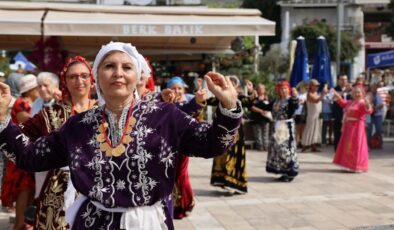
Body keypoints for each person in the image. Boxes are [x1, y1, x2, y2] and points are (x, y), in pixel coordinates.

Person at [0, 42, 241, 229]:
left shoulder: (166, 117)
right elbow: (29, 157)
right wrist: (2, 119)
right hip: (92, 223)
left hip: (148, 224)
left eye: (126, 67)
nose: (118, 73)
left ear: (137, 76)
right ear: (98, 78)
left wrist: (229, 108)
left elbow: (212, 143)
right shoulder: (78, 126)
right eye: (109, 66)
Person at [18, 56, 97, 229]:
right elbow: (18, 137)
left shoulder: (104, 110)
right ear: (65, 81)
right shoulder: (49, 114)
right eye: (73, 76)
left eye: (84, 76)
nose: (79, 81)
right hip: (57, 191)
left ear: (92, 79)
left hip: (96, 187)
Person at [1, 74, 38, 230]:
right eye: (37, 88)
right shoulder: (21, 103)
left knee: (28, 193)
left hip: (24, 151)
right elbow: (28, 121)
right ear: (30, 90)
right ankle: (19, 225)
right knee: (24, 190)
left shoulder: (28, 102)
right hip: (20, 153)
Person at [210, 76, 254, 195]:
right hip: (221, 131)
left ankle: (234, 183)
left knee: (234, 156)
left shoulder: (239, 97)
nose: (231, 84)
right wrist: (199, 89)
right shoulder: (220, 97)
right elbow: (208, 101)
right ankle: (224, 182)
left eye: (234, 83)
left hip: (236, 134)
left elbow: (250, 102)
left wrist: (250, 91)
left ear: (236, 86)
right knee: (222, 155)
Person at [254, 81, 299, 182]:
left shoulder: (290, 100)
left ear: (288, 90)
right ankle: (283, 171)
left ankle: (290, 171)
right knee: (277, 149)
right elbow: (265, 106)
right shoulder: (276, 101)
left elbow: (293, 109)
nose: (283, 90)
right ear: (278, 90)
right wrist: (254, 97)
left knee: (286, 149)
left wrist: (295, 97)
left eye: (285, 88)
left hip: (286, 126)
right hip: (277, 126)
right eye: (281, 89)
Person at [332, 86, 373, 172]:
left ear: (362, 94)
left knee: (356, 145)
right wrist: (338, 97)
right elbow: (343, 103)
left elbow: (368, 111)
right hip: (348, 127)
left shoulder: (362, 103)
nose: (356, 94)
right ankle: (348, 164)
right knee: (348, 145)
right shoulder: (351, 102)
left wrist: (368, 105)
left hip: (358, 127)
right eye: (354, 93)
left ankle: (357, 165)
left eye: (358, 92)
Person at [301, 79, 328, 152]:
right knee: (309, 129)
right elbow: (316, 100)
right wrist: (323, 94)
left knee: (316, 130)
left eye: (318, 85)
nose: (317, 87)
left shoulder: (316, 93)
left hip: (317, 114)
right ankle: (305, 145)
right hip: (312, 115)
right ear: (311, 86)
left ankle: (314, 146)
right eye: (316, 85)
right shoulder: (309, 94)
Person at [250, 83, 271, 151]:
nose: (261, 90)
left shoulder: (267, 98)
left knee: (265, 133)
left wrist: (267, 112)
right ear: (257, 90)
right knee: (258, 134)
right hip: (256, 118)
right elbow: (251, 107)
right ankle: (260, 147)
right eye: (259, 88)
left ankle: (266, 146)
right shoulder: (254, 97)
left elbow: (271, 106)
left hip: (266, 118)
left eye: (262, 88)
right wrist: (261, 111)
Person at [332, 74, 350, 150]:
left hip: (349, 115)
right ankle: (337, 150)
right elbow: (333, 97)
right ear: (338, 80)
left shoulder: (351, 90)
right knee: (338, 133)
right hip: (338, 114)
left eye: (345, 79)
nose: (344, 81)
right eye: (342, 79)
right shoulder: (334, 89)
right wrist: (345, 91)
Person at [293, 81, 308, 148]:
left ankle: (302, 142)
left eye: (304, 87)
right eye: (301, 87)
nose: (302, 88)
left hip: (304, 113)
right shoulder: (297, 94)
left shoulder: (307, 95)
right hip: (297, 113)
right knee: (297, 128)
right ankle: (297, 142)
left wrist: (304, 101)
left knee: (303, 128)